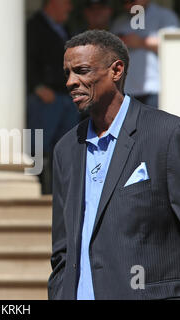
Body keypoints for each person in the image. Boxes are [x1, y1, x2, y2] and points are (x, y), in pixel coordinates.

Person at [48, 30, 180, 300]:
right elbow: (62, 249)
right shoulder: (65, 149)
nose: (72, 82)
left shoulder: (166, 134)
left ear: (116, 70)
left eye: (82, 71)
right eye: (67, 73)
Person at [26, 0, 80, 194]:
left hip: (66, 97)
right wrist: (36, 86)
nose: (70, 7)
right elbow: (25, 59)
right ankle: (35, 188)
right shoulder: (33, 27)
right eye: (67, 2)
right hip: (44, 98)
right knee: (37, 147)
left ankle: (60, 193)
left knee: (66, 150)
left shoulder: (65, 28)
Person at [111, 0, 179, 108]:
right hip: (127, 90)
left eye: (132, 1)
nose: (129, 4)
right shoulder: (119, 22)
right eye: (124, 2)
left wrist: (141, 42)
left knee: (156, 124)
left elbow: (173, 46)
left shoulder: (164, 16)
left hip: (156, 88)